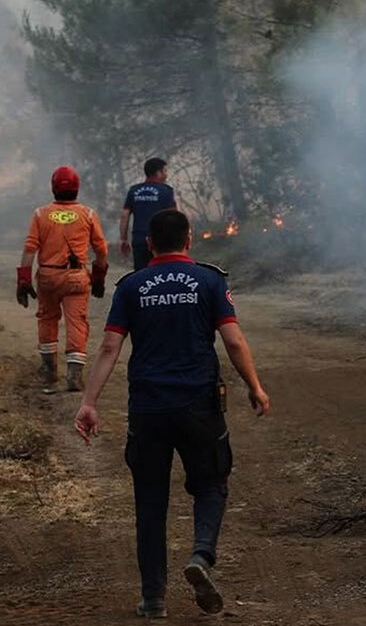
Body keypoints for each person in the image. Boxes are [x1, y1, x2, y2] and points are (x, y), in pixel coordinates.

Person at [73, 209, 271, 618]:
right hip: (200, 404)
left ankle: (154, 600)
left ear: (150, 244)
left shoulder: (131, 287)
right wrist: (254, 385)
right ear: (189, 239)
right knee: (212, 484)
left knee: (149, 502)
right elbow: (233, 341)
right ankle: (200, 555)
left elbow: (110, 348)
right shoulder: (210, 280)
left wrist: (89, 402)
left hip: (148, 409)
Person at [17, 165, 109, 393]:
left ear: (53, 188)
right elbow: (101, 249)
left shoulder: (40, 214)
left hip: (48, 277)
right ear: (77, 188)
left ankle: (49, 373)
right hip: (76, 278)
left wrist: (24, 279)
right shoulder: (88, 214)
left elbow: (30, 249)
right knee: (77, 322)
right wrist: (99, 277)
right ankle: (74, 376)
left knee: (47, 319)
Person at [120, 158, 177, 271]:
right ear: (158, 172)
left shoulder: (134, 190)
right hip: (161, 242)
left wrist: (124, 239)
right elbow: (174, 217)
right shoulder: (166, 191)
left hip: (139, 240)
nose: (166, 174)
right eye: (165, 171)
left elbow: (124, 215)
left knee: (141, 274)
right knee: (161, 274)